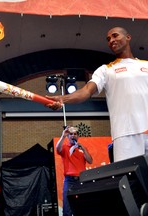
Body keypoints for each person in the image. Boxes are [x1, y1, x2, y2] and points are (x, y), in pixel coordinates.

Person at [46, 26, 148, 163]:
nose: (111, 40)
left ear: (128, 37)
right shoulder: (106, 70)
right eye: (108, 39)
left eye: (115, 36)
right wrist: (62, 99)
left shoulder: (146, 65)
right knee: (132, 180)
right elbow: (86, 91)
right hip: (125, 134)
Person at [56, 126, 93, 216]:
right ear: (68, 137)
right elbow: (58, 148)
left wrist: (83, 149)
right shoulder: (65, 148)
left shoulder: (82, 149)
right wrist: (63, 136)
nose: (73, 135)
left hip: (82, 180)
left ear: (78, 136)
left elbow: (90, 161)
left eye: (75, 134)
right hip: (70, 181)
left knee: (83, 206)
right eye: (71, 134)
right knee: (67, 208)